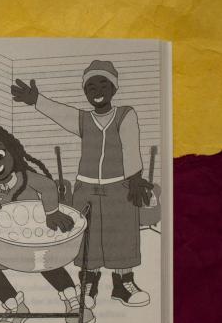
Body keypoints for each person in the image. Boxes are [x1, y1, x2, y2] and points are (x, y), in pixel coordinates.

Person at [11, 59, 153, 308]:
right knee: (88, 237)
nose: (97, 91)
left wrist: (134, 179)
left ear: (114, 88)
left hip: (119, 187)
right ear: (85, 92)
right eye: (91, 87)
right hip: (86, 188)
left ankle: (123, 284)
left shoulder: (125, 115)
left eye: (103, 85)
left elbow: (131, 146)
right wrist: (36, 100)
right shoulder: (83, 120)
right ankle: (89, 283)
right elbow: (60, 112)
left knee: (122, 235)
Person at [0, 124, 95, 323]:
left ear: (12, 150)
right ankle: (15, 306)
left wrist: (51, 212)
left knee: (50, 263)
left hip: (38, 245)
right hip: (7, 250)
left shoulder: (27, 178)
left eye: (0, 155)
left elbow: (48, 187)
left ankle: (73, 302)